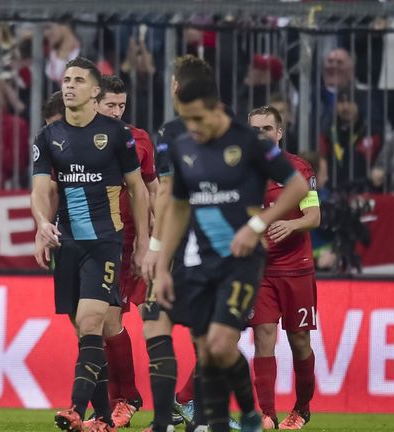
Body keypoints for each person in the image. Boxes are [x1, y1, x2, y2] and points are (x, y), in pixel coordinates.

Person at [151, 77, 308, 432]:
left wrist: (258, 225)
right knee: (209, 350)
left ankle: (245, 413)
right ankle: (231, 419)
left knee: (222, 342)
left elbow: (297, 184)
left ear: (216, 110)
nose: (193, 127)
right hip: (197, 261)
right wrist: (161, 266)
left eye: (199, 118)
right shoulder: (184, 147)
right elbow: (176, 208)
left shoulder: (250, 143)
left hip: (242, 261)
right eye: (187, 120)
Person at [32, 57, 149, 432]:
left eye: (78, 80)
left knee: (91, 320)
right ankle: (102, 418)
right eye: (66, 79)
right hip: (68, 244)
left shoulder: (116, 135)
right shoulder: (48, 137)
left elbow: (139, 189)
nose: (69, 85)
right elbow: (39, 190)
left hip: (105, 241)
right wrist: (40, 225)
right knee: (86, 331)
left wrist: (143, 243)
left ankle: (75, 409)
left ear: (94, 91)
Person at [142, 55, 235, 432]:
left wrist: (155, 246)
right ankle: (204, 418)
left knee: (155, 323)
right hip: (224, 244)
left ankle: (165, 422)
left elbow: (165, 192)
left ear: (177, 87)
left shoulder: (172, 131)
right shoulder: (235, 130)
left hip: (184, 243)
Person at [90, 74, 157, 428]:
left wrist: (153, 243)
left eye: (121, 105)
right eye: (110, 105)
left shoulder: (139, 140)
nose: (116, 112)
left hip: (130, 240)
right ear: (95, 103)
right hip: (94, 239)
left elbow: (153, 189)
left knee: (115, 321)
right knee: (97, 324)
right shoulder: (79, 137)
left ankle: (126, 399)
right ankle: (115, 403)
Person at [248, 106, 320, 430]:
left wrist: (291, 227)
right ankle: (267, 413)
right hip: (261, 271)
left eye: (267, 128)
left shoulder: (298, 170)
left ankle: (302, 408)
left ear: (279, 133)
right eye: (255, 129)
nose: (260, 134)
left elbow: (314, 217)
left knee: (299, 341)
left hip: (296, 269)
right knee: (263, 336)